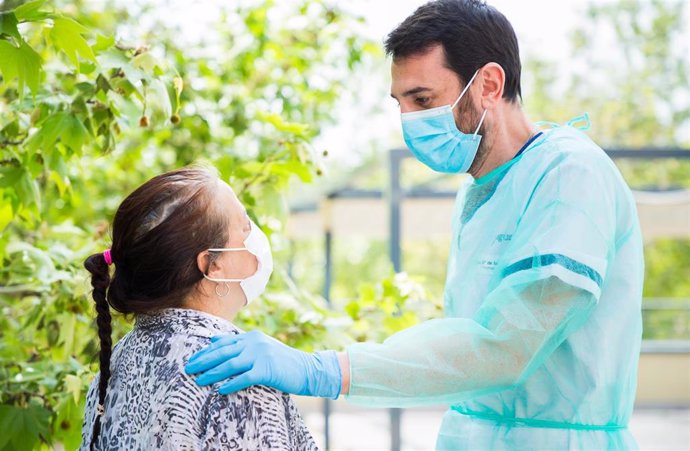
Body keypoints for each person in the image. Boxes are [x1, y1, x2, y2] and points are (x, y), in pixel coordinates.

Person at [185, 1, 644, 449]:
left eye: (423, 99)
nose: (408, 120)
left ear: (488, 83)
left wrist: (321, 369)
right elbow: (462, 349)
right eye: (400, 103)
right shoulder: (480, 191)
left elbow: (503, 349)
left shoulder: (570, 175)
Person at [79, 167, 317, 450]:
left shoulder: (115, 364)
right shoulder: (238, 374)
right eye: (244, 227)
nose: (255, 235)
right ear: (212, 265)